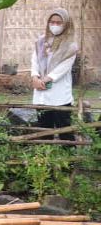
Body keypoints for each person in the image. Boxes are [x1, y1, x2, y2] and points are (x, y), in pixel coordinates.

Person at [31, 8, 79, 141]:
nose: (55, 25)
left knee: (64, 129)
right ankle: (45, 158)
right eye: (52, 22)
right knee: (44, 128)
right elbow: (35, 60)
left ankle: (70, 159)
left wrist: (46, 79)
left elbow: (63, 68)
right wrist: (35, 77)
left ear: (66, 24)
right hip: (41, 92)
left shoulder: (70, 46)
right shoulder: (41, 42)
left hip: (59, 95)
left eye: (59, 23)